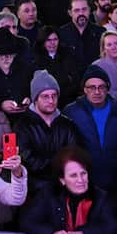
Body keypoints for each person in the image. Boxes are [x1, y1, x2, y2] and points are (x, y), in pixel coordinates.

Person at [63, 66, 117, 194]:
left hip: (115, 179)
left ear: (107, 89)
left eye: (101, 87)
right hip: (84, 180)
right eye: (92, 87)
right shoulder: (71, 112)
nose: (97, 92)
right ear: (84, 90)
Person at [14, 69, 80, 198]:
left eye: (54, 95)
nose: (51, 100)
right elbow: (27, 160)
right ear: (35, 99)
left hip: (64, 189)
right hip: (34, 192)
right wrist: (59, 164)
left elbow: (74, 154)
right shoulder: (22, 126)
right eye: (45, 96)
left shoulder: (67, 125)